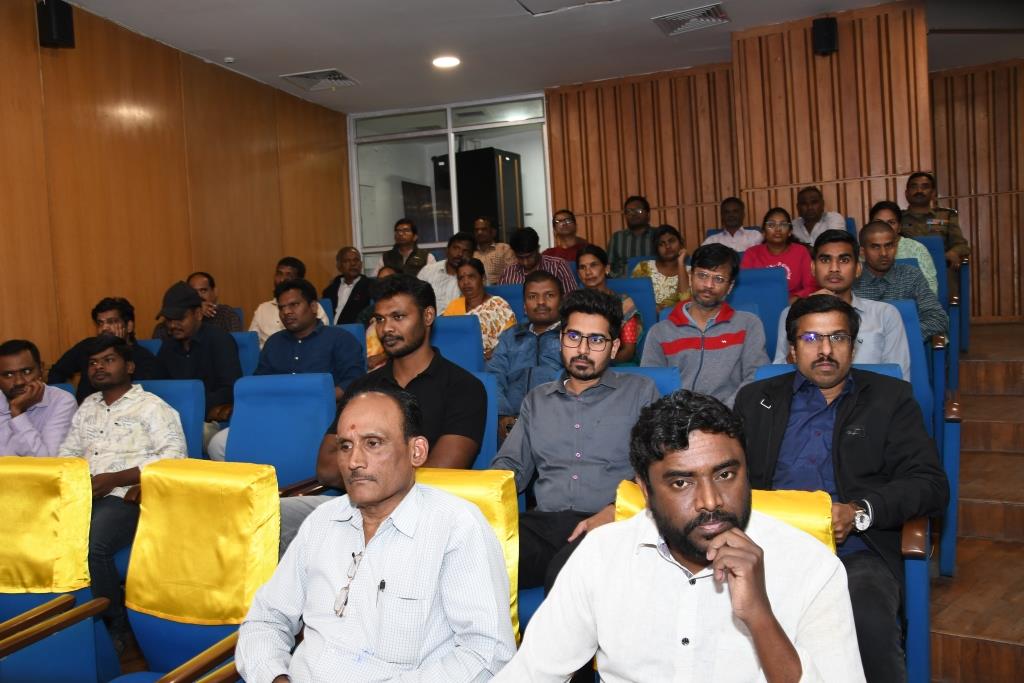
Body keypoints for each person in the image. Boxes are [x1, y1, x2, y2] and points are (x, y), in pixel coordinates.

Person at [497, 391, 865, 683]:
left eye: (725, 475)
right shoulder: (602, 555)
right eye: (681, 483)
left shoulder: (811, 567)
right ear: (645, 490)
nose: (711, 501)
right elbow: (531, 674)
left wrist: (759, 617)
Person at [235, 385, 517, 682]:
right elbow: (266, 620)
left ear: (416, 451)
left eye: (373, 443)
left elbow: (487, 656)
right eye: (345, 446)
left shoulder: (456, 528)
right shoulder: (322, 522)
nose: (354, 461)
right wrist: (275, 677)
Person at [735, 294, 949, 683]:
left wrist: (859, 512)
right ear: (792, 348)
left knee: (864, 616)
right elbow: (725, 474)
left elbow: (930, 484)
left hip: (853, 551)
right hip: (764, 546)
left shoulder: (890, 398)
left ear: (853, 345)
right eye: (811, 339)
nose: (826, 350)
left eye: (838, 338)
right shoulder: (756, 400)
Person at [278, 275, 487, 551]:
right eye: (379, 319)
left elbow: (439, 473)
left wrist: (364, 474)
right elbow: (327, 467)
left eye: (398, 317)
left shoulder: (463, 387)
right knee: (269, 518)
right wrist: (387, 477)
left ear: (427, 316)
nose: (386, 328)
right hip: (352, 507)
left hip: (424, 516)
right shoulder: (362, 388)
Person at [490, 289, 660, 596]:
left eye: (596, 340)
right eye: (573, 337)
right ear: (560, 340)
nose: (582, 349)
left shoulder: (640, 393)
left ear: (614, 347)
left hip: (611, 525)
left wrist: (616, 510)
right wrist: (478, 498)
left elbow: (660, 468)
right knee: (477, 559)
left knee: (566, 575)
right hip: (544, 526)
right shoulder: (537, 400)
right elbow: (510, 468)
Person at [58, 335, 186, 653]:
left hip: (130, 494)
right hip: (84, 494)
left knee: (94, 544)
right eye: (93, 362)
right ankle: (64, 623)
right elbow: (67, 453)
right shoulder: (88, 406)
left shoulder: (153, 407)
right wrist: (77, 479)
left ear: (129, 366)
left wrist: (116, 478)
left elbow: (174, 459)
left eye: (108, 360)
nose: (99, 367)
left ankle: (115, 625)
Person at [206, 278, 364, 460]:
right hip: (274, 416)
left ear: (313, 307)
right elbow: (258, 384)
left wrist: (316, 396)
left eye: (294, 305)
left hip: (321, 418)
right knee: (218, 444)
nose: (287, 312)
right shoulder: (274, 343)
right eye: (282, 307)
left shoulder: (340, 339)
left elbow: (354, 382)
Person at [772, 230, 911, 381]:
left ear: (858, 269)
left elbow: (898, 378)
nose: (834, 268)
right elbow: (778, 376)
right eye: (825, 260)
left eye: (844, 260)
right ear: (813, 268)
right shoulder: (792, 314)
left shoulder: (885, 315)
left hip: (870, 395)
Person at [641, 244, 768, 407]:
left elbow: (756, 376)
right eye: (702, 275)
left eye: (719, 279)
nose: (708, 285)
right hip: (676, 417)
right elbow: (649, 385)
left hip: (731, 414)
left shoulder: (748, 324)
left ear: (730, 287)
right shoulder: (660, 332)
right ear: (690, 277)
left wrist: (722, 413)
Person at [155, 281, 243, 445]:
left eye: (180, 318)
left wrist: (191, 404)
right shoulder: (168, 346)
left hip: (208, 420)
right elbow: (159, 387)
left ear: (198, 314)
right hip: (171, 419)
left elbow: (231, 389)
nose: (173, 325)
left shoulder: (220, 341)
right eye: (168, 320)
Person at [486, 271, 563, 441]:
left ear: (562, 301)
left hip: (558, 422)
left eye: (549, 295)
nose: (541, 302)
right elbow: (494, 376)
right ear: (524, 306)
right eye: (533, 297)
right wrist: (503, 414)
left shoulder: (573, 337)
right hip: (513, 422)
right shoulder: (510, 337)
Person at [48, 297, 166, 403]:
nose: (104, 328)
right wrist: (65, 402)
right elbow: (57, 372)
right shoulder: (87, 347)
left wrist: (119, 350)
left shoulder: (145, 359)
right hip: (86, 413)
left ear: (129, 326)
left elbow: (139, 395)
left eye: (112, 322)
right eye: (100, 323)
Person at [854, 221, 948, 339]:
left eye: (889, 246)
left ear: (896, 247)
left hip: (906, 347)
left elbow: (939, 318)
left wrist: (899, 336)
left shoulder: (911, 276)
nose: (883, 253)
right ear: (862, 252)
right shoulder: (852, 280)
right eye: (875, 247)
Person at [0, 339, 76, 456]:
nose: (19, 382)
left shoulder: (62, 402)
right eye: (8, 375)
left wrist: (17, 413)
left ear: (41, 369)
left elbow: (46, 462)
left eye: (26, 371)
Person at [577, 245, 642, 363]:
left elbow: (628, 351)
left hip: (614, 363)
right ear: (578, 274)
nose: (588, 272)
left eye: (593, 265)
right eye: (582, 267)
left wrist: (599, 363)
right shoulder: (574, 303)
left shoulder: (624, 303)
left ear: (606, 268)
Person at [443, 258, 517, 359]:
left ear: (483, 278)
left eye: (471, 277)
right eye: (461, 278)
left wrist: (487, 356)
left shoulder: (499, 305)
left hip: (494, 361)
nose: (465, 282)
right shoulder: (454, 306)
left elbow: (511, 341)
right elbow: (446, 339)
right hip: (459, 360)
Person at [741, 207, 817, 303]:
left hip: (794, 305)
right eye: (771, 225)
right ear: (763, 231)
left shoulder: (801, 252)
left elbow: (811, 286)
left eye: (783, 225)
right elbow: (744, 286)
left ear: (790, 232)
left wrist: (794, 299)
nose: (777, 229)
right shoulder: (752, 253)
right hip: (758, 304)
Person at [249, 257, 330, 347]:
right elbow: (251, 343)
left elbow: (323, 339)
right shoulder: (262, 309)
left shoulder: (312, 308)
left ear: (299, 280)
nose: (282, 280)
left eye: (289, 275)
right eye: (279, 274)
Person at [900, 171, 970, 271]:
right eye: (914, 187)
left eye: (925, 187)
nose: (919, 190)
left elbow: (962, 246)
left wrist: (953, 252)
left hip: (941, 271)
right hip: (908, 273)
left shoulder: (946, 216)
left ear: (933, 193)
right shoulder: (897, 218)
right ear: (906, 193)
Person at [869, 200, 938, 295]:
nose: (885, 227)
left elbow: (931, 290)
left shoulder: (917, 250)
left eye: (891, 222)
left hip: (912, 303)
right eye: (879, 222)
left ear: (899, 227)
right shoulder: (864, 252)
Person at [153, 272, 242, 339]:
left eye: (203, 291)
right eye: (193, 292)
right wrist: (193, 312)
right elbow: (159, 335)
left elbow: (236, 344)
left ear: (215, 292)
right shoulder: (174, 321)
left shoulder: (226, 314)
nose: (198, 296)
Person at [498, 227, 578, 295]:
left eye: (529, 257)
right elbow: (501, 302)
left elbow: (572, 298)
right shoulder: (508, 274)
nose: (525, 262)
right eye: (520, 258)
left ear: (538, 249)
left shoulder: (558, 266)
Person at [630, 224, 692, 313]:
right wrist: (652, 308)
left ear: (681, 243)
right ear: (656, 249)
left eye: (671, 241)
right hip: (645, 316)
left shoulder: (691, 272)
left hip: (675, 319)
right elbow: (632, 298)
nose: (668, 246)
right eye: (661, 244)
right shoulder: (643, 267)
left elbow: (685, 302)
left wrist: (681, 263)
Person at [417, 231, 476, 313]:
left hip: (458, 319)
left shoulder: (475, 276)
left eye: (465, 251)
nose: (460, 254)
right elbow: (414, 299)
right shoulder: (428, 271)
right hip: (428, 319)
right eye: (456, 248)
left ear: (472, 255)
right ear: (447, 250)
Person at [607, 195, 656, 277]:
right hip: (623, 283)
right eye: (629, 211)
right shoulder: (617, 238)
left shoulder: (658, 235)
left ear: (648, 214)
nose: (633, 214)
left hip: (652, 282)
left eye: (638, 210)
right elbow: (608, 267)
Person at [322, 247, 372, 325]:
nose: (353, 264)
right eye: (347, 261)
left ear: (361, 264)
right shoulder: (329, 290)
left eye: (356, 260)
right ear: (339, 266)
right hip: (330, 329)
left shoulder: (370, 286)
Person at [473, 216, 516, 285]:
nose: (479, 232)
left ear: (493, 232)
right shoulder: (471, 252)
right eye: (476, 230)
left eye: (484, 229)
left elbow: (513, 274)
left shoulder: (504, 249)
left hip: (500, 289)